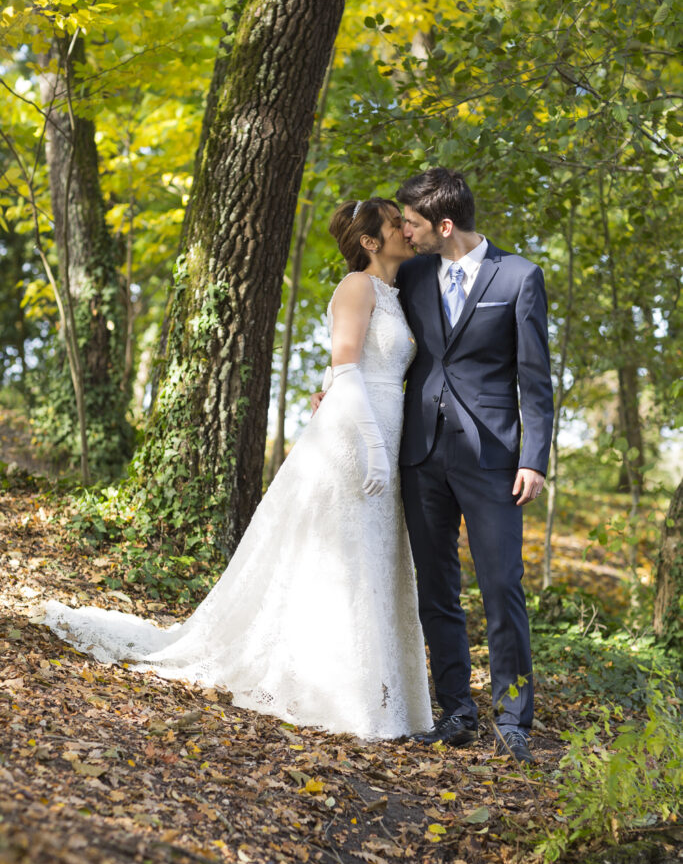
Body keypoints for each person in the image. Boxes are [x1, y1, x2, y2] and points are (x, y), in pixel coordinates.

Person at [43, 199, 433, 742]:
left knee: (370, 551)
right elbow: (346, 364)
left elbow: (359, 360)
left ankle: (371, 688)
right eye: (396, 224)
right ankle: (330, 685)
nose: (406, 231)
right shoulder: (357, 287)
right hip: (357, 434)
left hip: (383, 427)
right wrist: (368, 441)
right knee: (341, 547)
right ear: (371, 241)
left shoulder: (396, 291)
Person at [395, 168, 554, 764]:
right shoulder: (410, 274)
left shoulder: (518, 277)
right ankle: (456, 711)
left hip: (494, 462)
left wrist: (534, 459)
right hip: (422, 455)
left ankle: (513, 718)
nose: (405, 233)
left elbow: (535, 379)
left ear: (443, 224)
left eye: (411, 223)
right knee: (436, 589)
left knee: (502, 587)